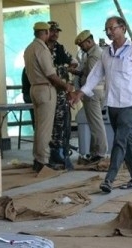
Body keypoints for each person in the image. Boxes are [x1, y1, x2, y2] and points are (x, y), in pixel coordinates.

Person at [69, 16, 132, 193]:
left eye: (113, 28)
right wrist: (80, 93)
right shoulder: (106, 53)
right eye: (107, 29)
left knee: (119, 141)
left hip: (129, 103)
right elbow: (94, 76)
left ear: (123, 28)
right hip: (112, 103)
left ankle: (109, 179)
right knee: (128, 141)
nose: (110, 32)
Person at [23, 22, 75, 172]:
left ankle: (37, 158)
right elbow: (51, 74)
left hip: (34, 88)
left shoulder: (28, 49)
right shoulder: (42, 49)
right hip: (45, 89)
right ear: (45, 32)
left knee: (39, 126)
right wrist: (66, 86)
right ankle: (43, 160)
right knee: (46, 129)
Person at [46, 21, 77, 170]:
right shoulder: (42, 48)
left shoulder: (60, 48)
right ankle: (48, 153)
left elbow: (74, 63)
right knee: (47, 123)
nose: (55, 34)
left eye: (57, 31)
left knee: (62, 122)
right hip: (47, 90)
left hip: (61, 91)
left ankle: (59, 151)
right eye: (52, 31)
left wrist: (64, 70)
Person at [73, 29, 107, 164]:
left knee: (96, 124)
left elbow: (92, 76)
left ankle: (100, 153)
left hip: (92, 93)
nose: (82, 48)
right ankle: (95, 152)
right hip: (94, 92)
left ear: (89, 41)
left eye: (83, 45)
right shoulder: (94, 53)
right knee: (94, 124)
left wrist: (77, 73)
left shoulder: (94, 55)